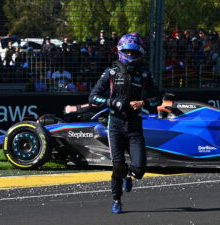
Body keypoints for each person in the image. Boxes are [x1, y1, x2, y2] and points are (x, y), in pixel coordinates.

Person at [65, 33, 160, 213]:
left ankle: (129, 176)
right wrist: (113, 102)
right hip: (115, 124)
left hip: (134, 125)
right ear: (120, 51)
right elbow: (93, 97)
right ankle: (116, 200)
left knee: (139, 169)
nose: (130, 55)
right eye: (127, 52)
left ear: (139, 53)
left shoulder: (144, 74)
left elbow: (158, 98)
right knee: (118, 166)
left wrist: (144, 103)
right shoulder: (111, 72)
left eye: (134, 52)